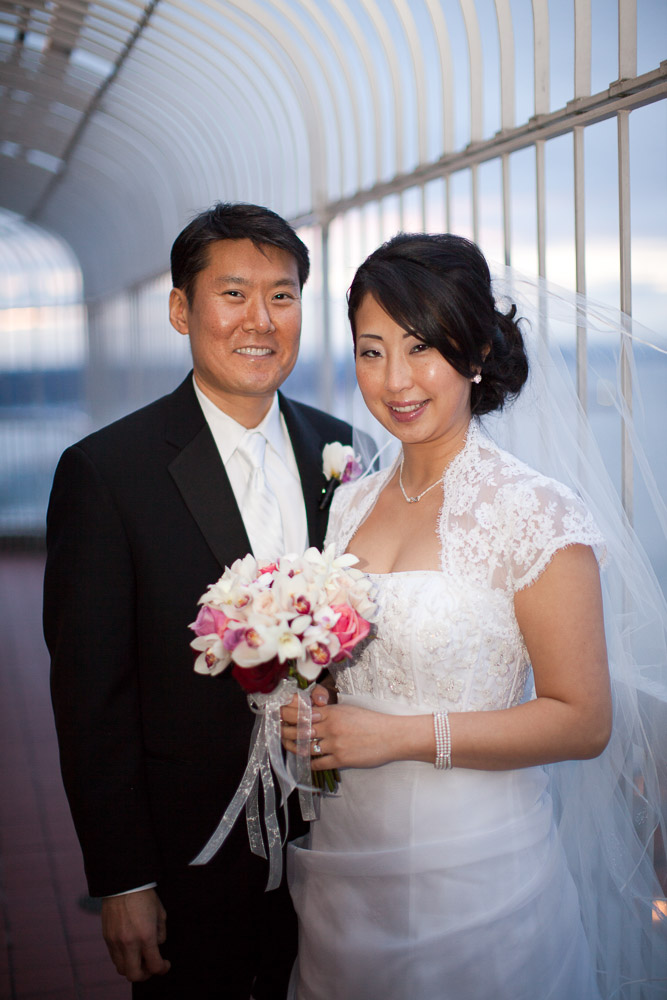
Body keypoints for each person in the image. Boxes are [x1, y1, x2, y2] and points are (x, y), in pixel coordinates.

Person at [281, 233, 667, 998]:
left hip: (476, 872)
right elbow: (352, 661)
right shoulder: (352, 496)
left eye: (419, 346)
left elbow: (582, 721)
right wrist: (312, 703)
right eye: (370, 350)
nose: (394, 380)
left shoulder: (534, 511)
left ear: (477, 348)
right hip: (350, 857)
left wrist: (395, 736)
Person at [44, 201, 353, 998]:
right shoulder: (107, 472)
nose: (261, 320)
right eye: (233, 293)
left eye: (282, 295)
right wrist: (121, 880)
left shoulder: (342, 450)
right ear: (182, 308)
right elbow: (90, 698)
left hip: (345, 837)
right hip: (190, 853)